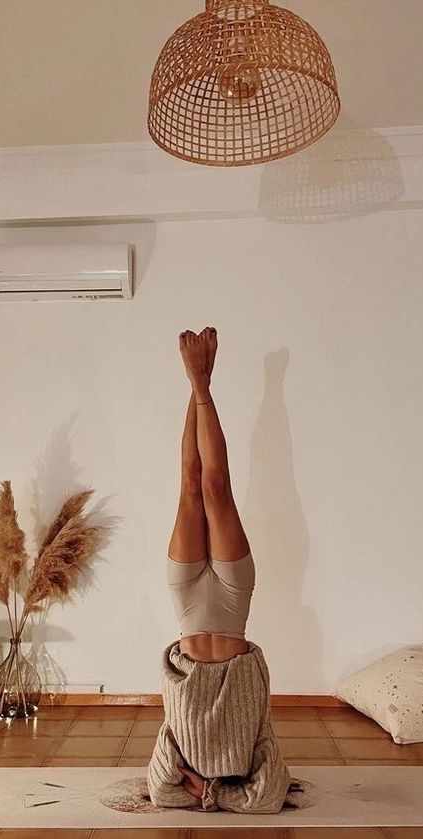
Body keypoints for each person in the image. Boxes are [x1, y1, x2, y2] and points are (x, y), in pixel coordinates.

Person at [147, 328, 291, 813]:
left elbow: (158, 788)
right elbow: (269, 797)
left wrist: (198, 789)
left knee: (191, 487)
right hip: (231, 604)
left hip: (187, 605)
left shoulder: (177, 752)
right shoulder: (251, 753)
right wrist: (217, 793)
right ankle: (202, 383)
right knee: (217, 490)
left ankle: (197, 384)